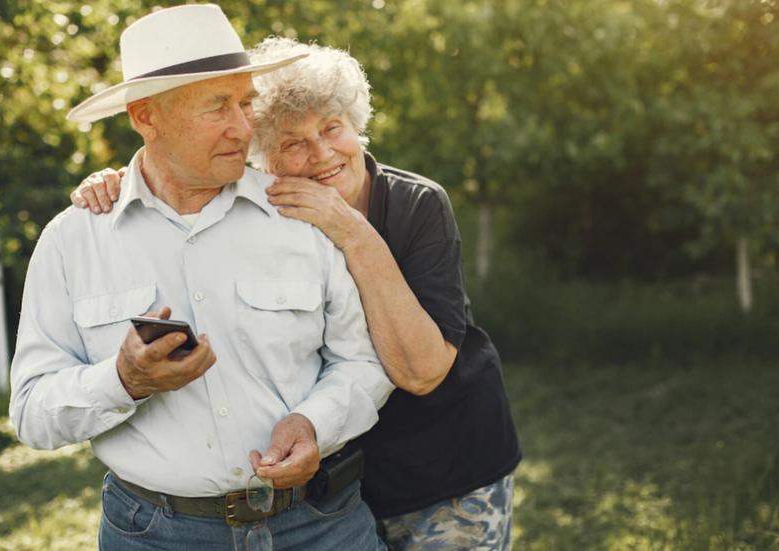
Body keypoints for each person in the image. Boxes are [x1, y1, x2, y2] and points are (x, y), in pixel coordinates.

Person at [74, 38, 521, 550]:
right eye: (293, 143)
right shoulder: (269, 213)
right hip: (335, 490)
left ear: (356, 125)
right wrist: (124, 182)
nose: (322, 154)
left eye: (332, 128)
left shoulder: (416, 205)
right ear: (262, 159)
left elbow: (423, 372)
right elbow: (178, 178)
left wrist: (351, 230)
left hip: (448, 471)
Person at [10, 6, 395, 551]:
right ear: (146, 116)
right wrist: (124, 380)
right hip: (154, 535)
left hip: (321, 525)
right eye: (217, 107)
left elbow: (363, 361)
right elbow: (31, 413)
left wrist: (315, 423)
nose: (244, 127)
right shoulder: (72, 241)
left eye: (245, 103)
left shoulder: (303, 214)